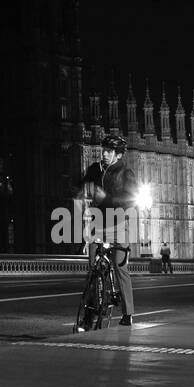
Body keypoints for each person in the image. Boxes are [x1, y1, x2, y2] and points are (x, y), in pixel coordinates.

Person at [75, 134, 138, 328]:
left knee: (120, 268)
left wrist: (107, 199)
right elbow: (80, 185)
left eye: (109, 151)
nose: (104, 154)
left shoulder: (126, 174)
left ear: (118, 155)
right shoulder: (95, 169)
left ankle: (128, 313)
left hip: (119, 224)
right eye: (103, 150)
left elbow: (131, 201)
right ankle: (90, 311)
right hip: (97, 224)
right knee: (93, 269)